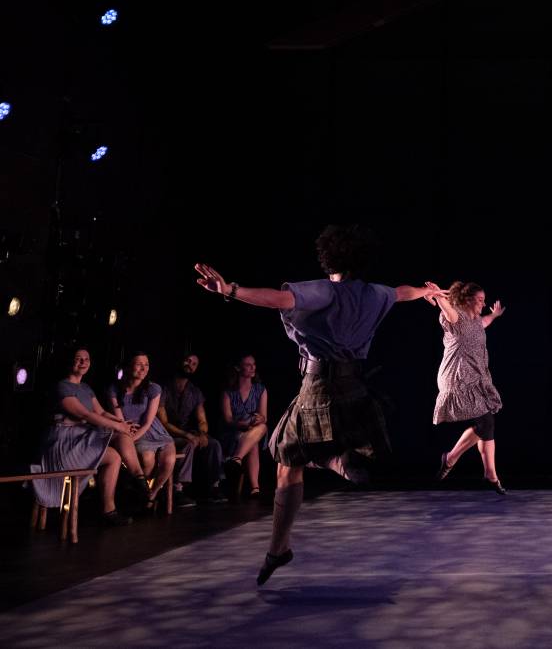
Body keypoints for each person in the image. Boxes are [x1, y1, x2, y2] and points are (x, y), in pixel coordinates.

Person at [194, 223, 444, 584]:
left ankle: (293, 527)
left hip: (319, 386)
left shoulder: (327, 291)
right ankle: (335, 465)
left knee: (285, 457)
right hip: (354, 386)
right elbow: (401, 293)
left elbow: (280, 300)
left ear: (329, 257)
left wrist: (230, 289)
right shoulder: (375, 294)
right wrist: (427, 291)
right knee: (296, 454)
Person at [32, 347, 140, 526]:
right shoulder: (62, 386)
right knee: (114, 434)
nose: (83, 362)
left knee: (114, 456)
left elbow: (101, 412)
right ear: (70, 362)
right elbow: (86, 415)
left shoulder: (86, 388)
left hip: (80, 437)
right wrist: (117, 426)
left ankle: (110, 509)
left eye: (86, 359)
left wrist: (122, 423)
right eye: (78, 359)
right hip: (62, 441)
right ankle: (138, 480)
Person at [429, 281, 508, 494]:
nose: (483, 304)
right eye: (480, 300)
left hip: (476, 377)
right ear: (467, 300)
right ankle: (489, 475)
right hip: (457, 377)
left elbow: (484, 322)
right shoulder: (456, 317)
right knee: (485, 421)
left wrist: (495, 316)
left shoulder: (475, 320)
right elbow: (446, 308)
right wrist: (436, 295)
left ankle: (454, 459)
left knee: (485, 423)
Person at [108, 352, 178, 512]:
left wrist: (132, 439)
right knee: (147, 458)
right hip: (129, 429)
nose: (143, 368)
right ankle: (134, 494)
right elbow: (120, 420)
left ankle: (150, 496)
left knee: (169, 460)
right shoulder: (114, 389)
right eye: (139, 364)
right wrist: (128, 438)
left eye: (146, 364)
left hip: (152, 429)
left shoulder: (153, 388)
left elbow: (148, 421)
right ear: (128, 366)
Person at [158, 352, 227, 505]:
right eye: (188, 361)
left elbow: (202, 419)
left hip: (187, 432)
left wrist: (202, 433)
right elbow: (163, 422)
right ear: (180, 362)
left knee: (213, 444)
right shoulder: (163, 387)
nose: (190, 365)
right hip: (165, 434)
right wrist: (187, 435)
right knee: (188, 444)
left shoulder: (195, 391)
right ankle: (178, 489)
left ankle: (213, 486)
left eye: (194, 364)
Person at [219, 354, 268, 499]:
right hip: (232, 434)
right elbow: (228, 419)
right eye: (248, 365)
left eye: (254, 364)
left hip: (252, 431)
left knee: (262, 427)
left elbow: (264, 416)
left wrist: (259, 419)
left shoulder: (260, 389)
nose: (253, 367)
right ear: (238, 368)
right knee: (253, 442)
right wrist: (243, 423)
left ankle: (236, 460)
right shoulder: (228, 392)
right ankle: (255, 488)